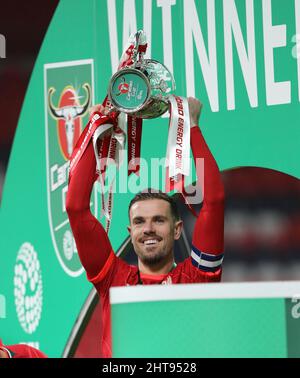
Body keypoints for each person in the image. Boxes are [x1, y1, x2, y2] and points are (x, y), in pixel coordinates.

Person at [66, 97, 224, 358]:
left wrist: (193, 126)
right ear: (130, 232)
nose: (148, 229)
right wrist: (95, 128)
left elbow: (214, 202)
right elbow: (75, 208)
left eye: (159, 220)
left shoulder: (197, 278)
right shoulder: (112, 279)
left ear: (177, 229)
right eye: (140, 222)